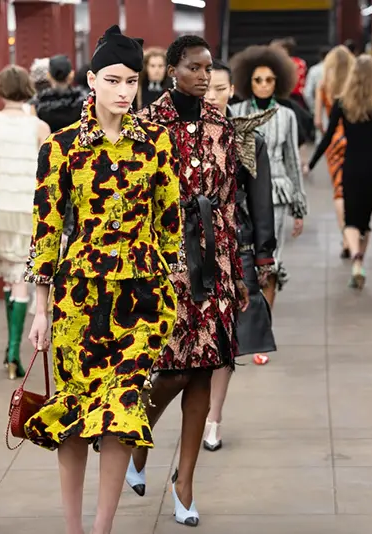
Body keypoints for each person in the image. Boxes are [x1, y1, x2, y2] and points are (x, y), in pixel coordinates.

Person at [24, 26, 182, 534]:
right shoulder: (63, 146)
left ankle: (102, 527)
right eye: (113, 79)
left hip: (144, 299)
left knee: (124, 412)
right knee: (73, 416)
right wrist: (39, 307)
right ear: (91, 80)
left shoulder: (156, 141)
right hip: (79, 296)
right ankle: (74, 528)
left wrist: (175, 286)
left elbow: (169, 217)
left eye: (132, 81)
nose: (123, 91)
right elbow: (46, 228)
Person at [129, 35, 249, 528]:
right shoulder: (146, 126)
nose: (205, 76)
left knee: (207, 367)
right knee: (175, 369)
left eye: (209, 68)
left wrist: (238, 270)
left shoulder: (222, 122)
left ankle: (184, 483)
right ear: (172, 69)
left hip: (216, 260)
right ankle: (139, 439)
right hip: (170, 261)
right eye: (195, 68)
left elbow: (228, 204)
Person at [203, 60, 277, 452]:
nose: (211, 96)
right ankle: (200, 413)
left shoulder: (248, 139)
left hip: (238, 246)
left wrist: (264, 255)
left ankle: (214, 416)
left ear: (232, 90)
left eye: (219, 88)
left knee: (227, 338)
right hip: (191, 248)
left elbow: (261, 200)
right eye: (206, 88)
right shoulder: (180, 134)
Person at [0, 64, 50, 380]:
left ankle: (11, 349)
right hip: (28, 209)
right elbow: (46, 176)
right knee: (20, 280)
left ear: (0, 89)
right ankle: (14, 351)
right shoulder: (40, 127)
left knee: (8, 277)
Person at [309, 55, 372, 289]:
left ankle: (356, 259)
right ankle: (361, 259)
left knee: (351, 218)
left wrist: (311, 162)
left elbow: (328, 138)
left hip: (352, 164)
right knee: (365, 219)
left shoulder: (341, 103)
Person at [229, 45, 306, 314]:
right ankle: (248, 317)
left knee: (271, 258)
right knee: (242, 257)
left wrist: (299, 207)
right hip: (241, 195)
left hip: (278, 192)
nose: (263, 85)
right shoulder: (234, 111)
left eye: (269, 80)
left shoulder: (287, 116)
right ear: (247, 81)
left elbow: (293, 160)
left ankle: (265, 323)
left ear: (279, 82)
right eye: (257, 80)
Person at [314, 45, 355, 259]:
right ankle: (355, 234)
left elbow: (318, 121)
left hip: (334, 140)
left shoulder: (324, 85)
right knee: (354, 190)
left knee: (339, 191)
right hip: (354, 139)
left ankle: (346, 238)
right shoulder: (353, 85)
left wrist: (328, 132)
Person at [33, 54, 86, 133]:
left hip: (50, 144)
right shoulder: (82, 99)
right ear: (71, 75)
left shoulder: (39, 102)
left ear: (48, 76)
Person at [303, 46, 331, 143]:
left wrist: (314, 108)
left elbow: (307, 93)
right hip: (333, 106)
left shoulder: (314, 70)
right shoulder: (336, 71)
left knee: (321, 140)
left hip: (320, 106)